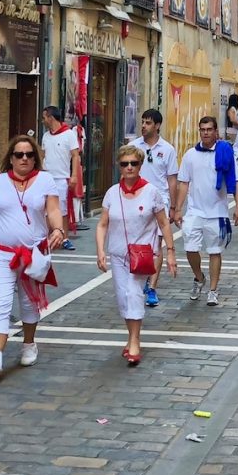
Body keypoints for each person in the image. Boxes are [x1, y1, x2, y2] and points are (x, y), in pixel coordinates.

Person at [0, 135, 65, 384]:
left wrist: (58, 229)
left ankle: (29, 344)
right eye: (19, 154)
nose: (24, 158)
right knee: (0, 305)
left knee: (28, 303)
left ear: (35, 157)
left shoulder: (45, 180)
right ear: (10, 158)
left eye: (29, 154)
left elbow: (54, 210)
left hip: (33, 253)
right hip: (0, 253)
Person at [96, 144, 176, 364]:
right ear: (119, 167)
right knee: (123, 298)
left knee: (133, 294)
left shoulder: (151, 192)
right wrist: (100, 250)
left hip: (141, 255)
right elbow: (102, 224)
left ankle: (135, 342)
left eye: (134, 163)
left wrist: (170, 252)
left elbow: (164, 224)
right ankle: (131, 336)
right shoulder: (112, 193)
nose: (129, 167)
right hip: (118, 254)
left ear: (140, 165)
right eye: (125, 164)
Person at [175, 116, 238, 307]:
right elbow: (184, 183)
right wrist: (177, 208)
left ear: (215, 132)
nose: (205, 132)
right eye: (202, 129)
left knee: (214, 251)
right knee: (190, 248)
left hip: (217, 212)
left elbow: (235, 180)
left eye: (209, 129)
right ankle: (199, 277)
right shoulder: (190, 155)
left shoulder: (224, 153)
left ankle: (213, 290)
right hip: (195, 211)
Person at [132, 109, 179, 307]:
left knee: (156, 245)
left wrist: (174, 207)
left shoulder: (167, 149)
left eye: (148, 122)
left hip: (160, 200)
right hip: (137, 199)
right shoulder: (133, 146)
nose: (144, 125)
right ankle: (138, 281)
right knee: (137, 243)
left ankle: (152, 287)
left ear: (157, 125)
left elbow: (172, 180)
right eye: (142, 122)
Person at [40, 106, 80, 250]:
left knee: (62, 210)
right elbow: (43, 155)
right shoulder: (45, 136)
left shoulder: (69, 134)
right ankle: (47, 237)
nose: (43, 120)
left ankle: (64, 238)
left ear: (51, 117)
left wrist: (74, 175)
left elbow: (75, 156)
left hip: (61, 178)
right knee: (44, 209)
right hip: (46, 177)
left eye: (44, 117)